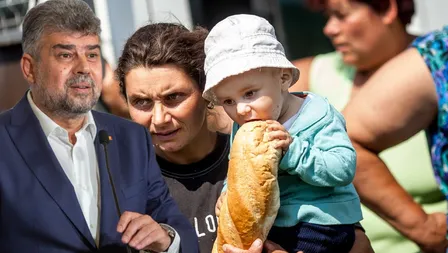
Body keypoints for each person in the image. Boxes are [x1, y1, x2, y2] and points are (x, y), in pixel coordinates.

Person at [0, 0, 199, 252]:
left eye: (92, 54)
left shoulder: (132, 138)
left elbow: (180, 233)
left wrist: (166, 238)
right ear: (30, 68)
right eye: (66, 55)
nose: (83, 68)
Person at [289, 0, 448, 252]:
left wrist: (427, 232)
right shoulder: (313, 75)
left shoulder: (438, 66)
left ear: (387, 9)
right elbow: (229, 105)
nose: (329, 29)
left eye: (341, 15)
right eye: (327, 16)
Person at [203, 14, 363, 253]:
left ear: (283, 78)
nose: (241, 109)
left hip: (322, 221)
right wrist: (227, 193)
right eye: (228, 100)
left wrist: (293, 150)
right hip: (276, 222)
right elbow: (239, 171)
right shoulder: (246, 124)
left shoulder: (318, 114)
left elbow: (343, 168)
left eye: (249, 93)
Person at [115, 23, 230, 253]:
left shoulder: (255, 157)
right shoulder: (119, 188)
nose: (159, 119)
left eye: (173, 97)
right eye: (141, 102)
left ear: (208, 92)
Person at [341, 25, 448, 253]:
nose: (330, 28)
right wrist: (425, 228)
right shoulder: (438, 55)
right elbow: (345, 142)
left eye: (341, 15)